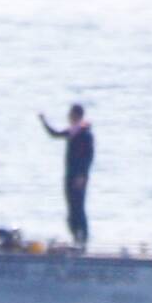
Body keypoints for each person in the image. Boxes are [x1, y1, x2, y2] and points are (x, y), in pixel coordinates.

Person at [38, 103, 93, 246]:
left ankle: (84, 238)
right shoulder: (71, 132)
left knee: (79, 207)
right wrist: (44, 121)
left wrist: (82, 175)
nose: (69, 117)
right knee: (70, 209)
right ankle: (75, 236)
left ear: (77, 116)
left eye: (71, 114)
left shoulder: (85, 134)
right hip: (69, 175)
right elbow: (54, 134)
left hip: (79, 177)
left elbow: (88, 157)